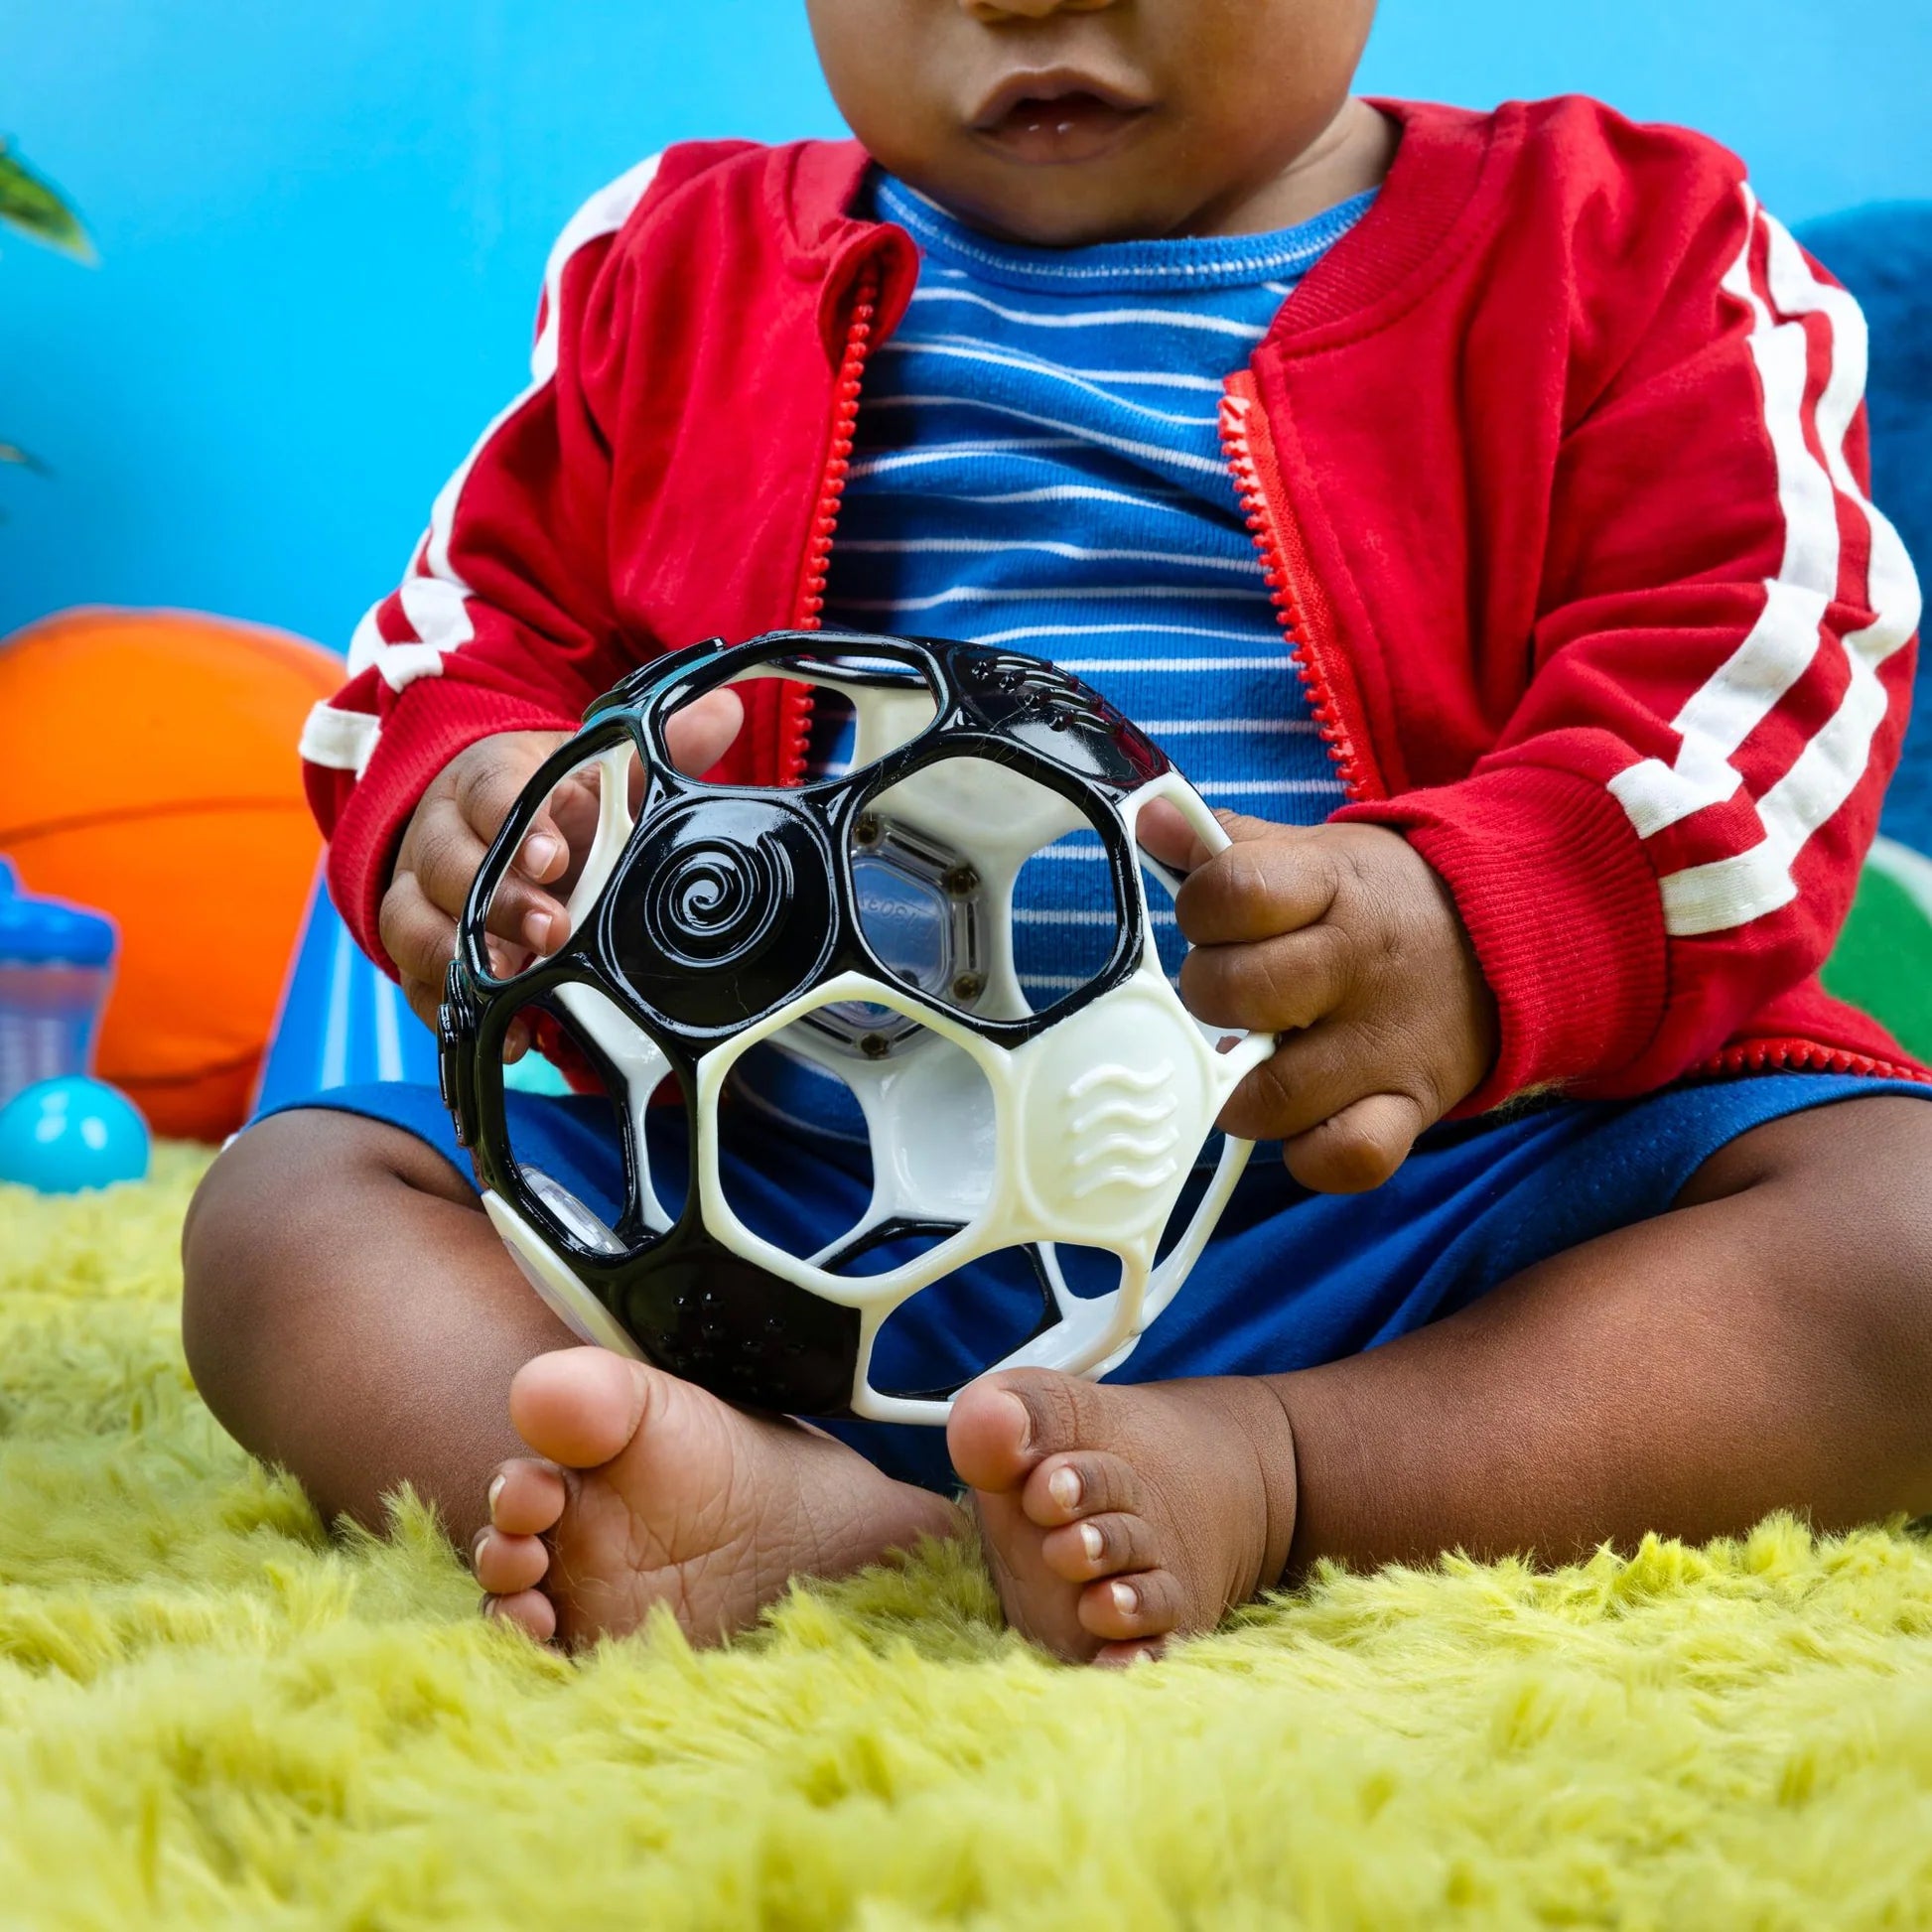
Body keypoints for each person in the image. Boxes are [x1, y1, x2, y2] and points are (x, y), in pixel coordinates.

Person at [182, 0, 1932, 1667]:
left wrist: (1469, 925)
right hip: (763, 1210)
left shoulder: (1632, 243)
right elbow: (470, 628)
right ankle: (723, 1483)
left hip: (1404, 1223)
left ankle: (1289, 1462)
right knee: (293, 1206)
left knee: (1900, 1229)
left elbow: (1767, 652)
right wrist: (481, 796)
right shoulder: (678, 268)